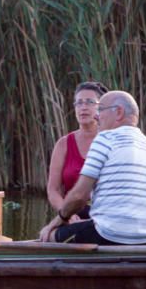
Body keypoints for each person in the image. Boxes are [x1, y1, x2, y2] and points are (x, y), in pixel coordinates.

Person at [39, 90, 146, 245]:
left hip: (111, 235)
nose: (96, 116)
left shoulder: (105, 139)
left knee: (50, 235)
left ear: (118, 112)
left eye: (100, 110)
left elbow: (79, 196)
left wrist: (55, 222)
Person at [46, 81, 108, 221]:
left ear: (101, 107)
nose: (83, 107)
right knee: (48, 236)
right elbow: (53, 190)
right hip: (71, 214)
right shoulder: (63, 144)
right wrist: (66, 214)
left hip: (105, 216)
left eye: (90, 102)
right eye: (79, 103)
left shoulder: (110, 140)